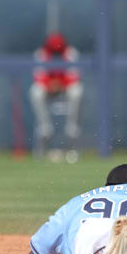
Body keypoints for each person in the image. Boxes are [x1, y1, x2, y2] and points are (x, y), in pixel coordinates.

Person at [29, 32, 82, 162]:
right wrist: (49, 84)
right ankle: (45, 128)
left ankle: (72, 129)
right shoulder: (41, 53)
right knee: (36, 91)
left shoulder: (71, 53)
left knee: (76, 91)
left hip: (65, 88)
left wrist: (61, 84)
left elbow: (74, 76)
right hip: (48, 89)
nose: (55, 52)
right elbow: (38, 76)